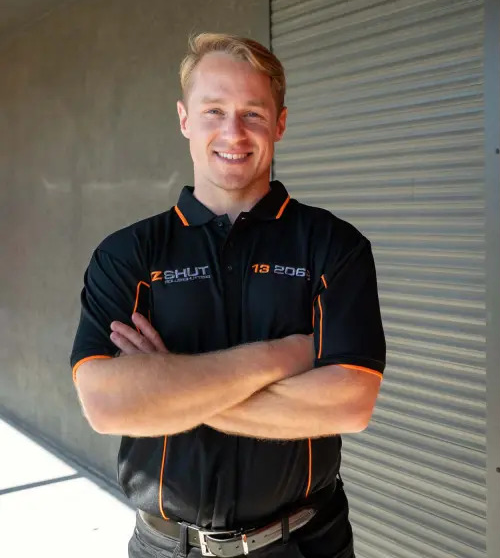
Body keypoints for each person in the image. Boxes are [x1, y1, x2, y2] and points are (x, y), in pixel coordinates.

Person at [70, 33, 386, 558]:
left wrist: (168, 388)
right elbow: (105, 404)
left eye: (253, 114)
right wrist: (283, 355)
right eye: (214, 110)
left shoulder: (334, 246)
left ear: (280, 123)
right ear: (184, 120)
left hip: (305, 543)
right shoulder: (130, 254)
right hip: (167, 547)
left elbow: (351, 403)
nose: (233, 132)